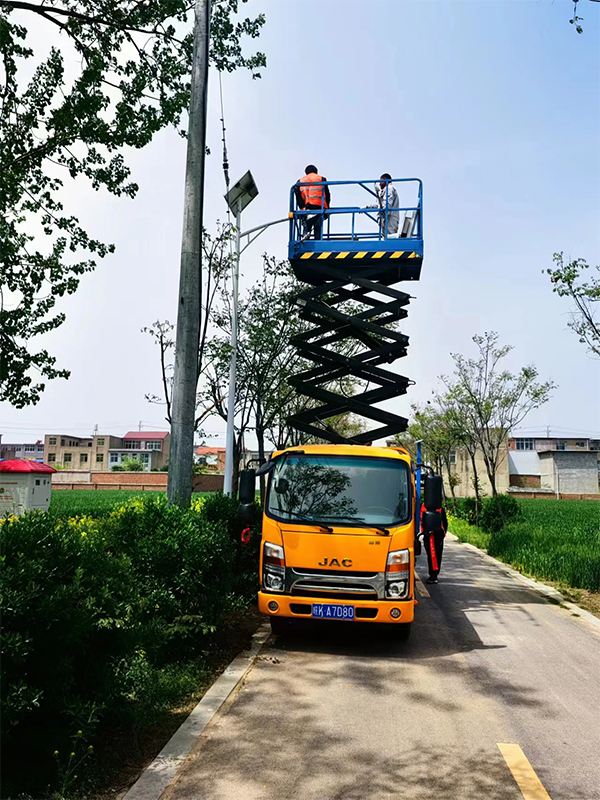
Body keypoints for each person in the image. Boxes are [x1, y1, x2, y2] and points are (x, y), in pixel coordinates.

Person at [294, 165, 330, 240]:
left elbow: (297, 195)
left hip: (306, 209)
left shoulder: (300, 181)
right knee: (318, 228)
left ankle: (305, 241)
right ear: (316, 171)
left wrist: (302, 207)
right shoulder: (321, 179)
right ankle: (318, 242)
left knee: (306, 228)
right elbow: (327, 195)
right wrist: (327, 209)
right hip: (319, 208)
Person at [421, 500, 448, 584]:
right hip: (427, 535)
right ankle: (432, 573)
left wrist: (442, 534)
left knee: (437, 555)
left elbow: (445, 522)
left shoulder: (440, 509)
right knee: (430, 555)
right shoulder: (422, 507)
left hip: (437, 536)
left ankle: (434, 575)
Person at [367, 173, 399, 238]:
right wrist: (367, 207)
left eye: (381, 181)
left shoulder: (389, 189)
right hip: (386, 219)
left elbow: (387, 205)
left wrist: (382, 215)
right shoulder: (385, 190)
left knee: (389, 239)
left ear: (385, 179)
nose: (379, 184)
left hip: (389, 219)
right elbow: (380, 205)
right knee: (386, 239)